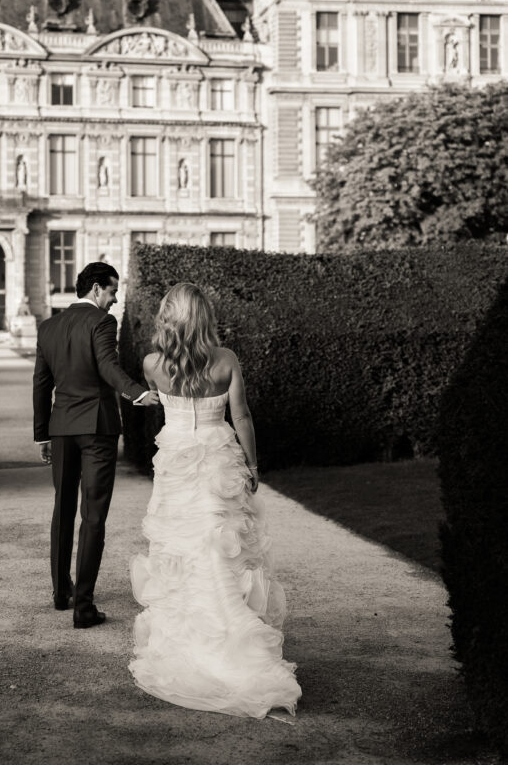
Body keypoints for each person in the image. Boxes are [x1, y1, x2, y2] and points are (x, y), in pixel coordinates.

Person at [129, 282, 301, 720]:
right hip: (219, 456)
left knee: (181, 552)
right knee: (220, 549)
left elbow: (161, 401)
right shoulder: (225, 360)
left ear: (168, 317)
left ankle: (187, 642)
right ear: (204, 317)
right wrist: (254, 464)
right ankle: (231, 640)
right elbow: (240, 415)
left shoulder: (152, 364)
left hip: (175, 459)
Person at [33, 261, 159, 629]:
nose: (115, 300)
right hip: (97, 429)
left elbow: (41, 383)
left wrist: (43, 433)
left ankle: (61, 592)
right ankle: (83, 607)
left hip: (61, 427)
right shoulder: (102, 322)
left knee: (63, 508)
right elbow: (107, 365)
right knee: (93, 515)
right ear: (95, 289)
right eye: (112, 291)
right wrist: (137, 393)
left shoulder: (49, 326)